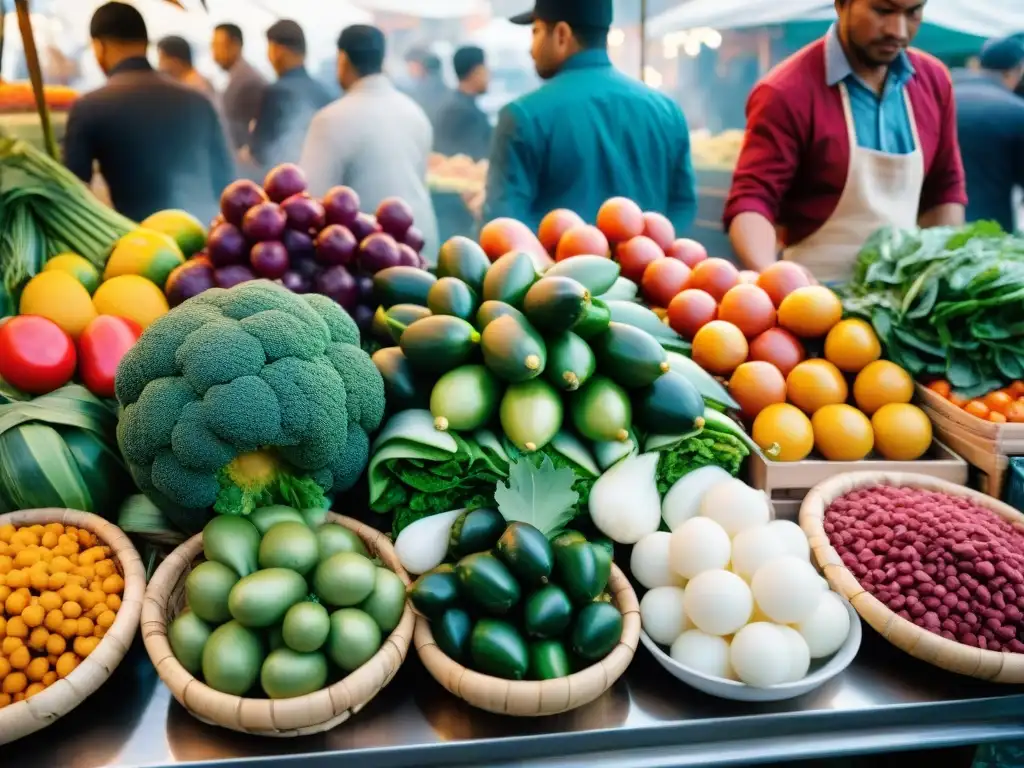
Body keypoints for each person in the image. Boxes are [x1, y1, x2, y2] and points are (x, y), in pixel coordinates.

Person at [724, 0, 966, 283]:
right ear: (841, 5)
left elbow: (945, 189)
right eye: (882, 11)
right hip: (814, 299)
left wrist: (939, 275)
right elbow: (752, 200)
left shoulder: (934, 81)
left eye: (913, 12)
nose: (897, 31)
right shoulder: (785, 91)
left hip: (904, 300)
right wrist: (771, 275)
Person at [483, 0, 697, 235]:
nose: (530, 48)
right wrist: (652, 251)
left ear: (562, 35)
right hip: (651, 269)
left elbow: (504, 223)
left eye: (536, 31)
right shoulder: (667, 111)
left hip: (554, 271)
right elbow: (683, 205)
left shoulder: (523, 115)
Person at [64, 2, 234, 224]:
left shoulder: (88, 107)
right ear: (145, 43)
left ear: (99, 46)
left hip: (145, 249)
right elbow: (227, 180)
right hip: (211, 242)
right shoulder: (199, 101)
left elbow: (75, 198)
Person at [300, 25, 438, 260]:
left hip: (374, 259)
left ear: (342, 59)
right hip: (425, 249)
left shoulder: (331, 119)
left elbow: (309, 205)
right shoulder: (414, 112)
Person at [955, 37, 1024, 233]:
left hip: (930, 231)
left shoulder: (942, 98)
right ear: (1018, 69)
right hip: (988, 236)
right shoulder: (1016, 111)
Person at [249, 20, 330, 173]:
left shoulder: (276, 92)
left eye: (270, 48)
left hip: (282, 183)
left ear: (278, 50)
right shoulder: (324, 93)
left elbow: (259, 153)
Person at [211, 23, 267, 154]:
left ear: (235, 45)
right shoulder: (239, 75)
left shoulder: (245, 79)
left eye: (217, 46)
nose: (213, 54)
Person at [434, 46, 493, 161]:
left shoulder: (454, 105)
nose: (489, 75)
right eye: (485, 69)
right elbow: (477, 159)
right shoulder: (464, 113)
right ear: (476, 72)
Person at [156, 35, 216, 100]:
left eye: (162, 59)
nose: (159, 65)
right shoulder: (189, 82)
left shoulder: (193, 86)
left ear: (175, 60)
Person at [403, 47, 450, 127]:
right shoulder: (444, 89)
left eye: (410, 66)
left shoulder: (422, 93)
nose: (408, 71)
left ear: (420, 65)